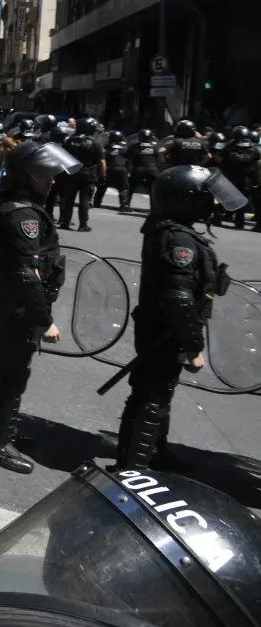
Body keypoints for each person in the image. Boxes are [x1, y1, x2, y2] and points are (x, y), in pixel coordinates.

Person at [117, 166, 243, 469]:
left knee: (154, 393)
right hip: (165, 332)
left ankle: (153, 453)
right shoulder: (179, 241)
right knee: (152, 400)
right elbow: (177, 297)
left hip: (160, 328)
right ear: (186, 199)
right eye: (207, 197)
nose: (213, 203)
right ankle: (134, 469)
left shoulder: (170, 231)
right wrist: (193, 346)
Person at [0, 141, 81, 474]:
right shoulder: (22, 214)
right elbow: (27, 275)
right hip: (22, 308)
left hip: (20, 306)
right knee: (12, 374)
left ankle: (1, 430)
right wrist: (44, 320)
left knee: (13, 371)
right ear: (26, 177)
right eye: (44, 174)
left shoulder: (23, 206)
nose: (52, 180)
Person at [60, 117, 105, 232]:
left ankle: (65, 222)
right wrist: (103, 175)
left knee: (68, 198)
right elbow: (101, 161)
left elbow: (62, 156)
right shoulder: (95, 142)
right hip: (87, 173)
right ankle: (83, 225)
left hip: (71, 172)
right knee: (84, 200)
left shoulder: (69, 140)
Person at [217, 125, 261, 231]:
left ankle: (219, 218)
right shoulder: (254, 148)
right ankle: (240, 223)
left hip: (232, 177)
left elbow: (219, 159)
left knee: (222, 197)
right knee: (245, 200)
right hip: (248, 180)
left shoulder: (229, 146)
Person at [95, 130, 133, 212]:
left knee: (102, 186)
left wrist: (100, 172)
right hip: (121, 169)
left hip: (109, 169)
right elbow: (128, 160)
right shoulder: (124, 149)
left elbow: (101, 159)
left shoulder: (106, 148)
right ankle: (124, 205)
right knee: (123, 188)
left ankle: (96, 203)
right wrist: (128, 171)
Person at [128, 128, 161, 198]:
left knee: (131, 187)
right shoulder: (155, 147)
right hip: (152, 169)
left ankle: (125, 205)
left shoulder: (134, 146)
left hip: (138, 169)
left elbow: (128, 158)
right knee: (153, 189)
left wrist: (128, 170)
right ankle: (154, 207)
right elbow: (159, 158)